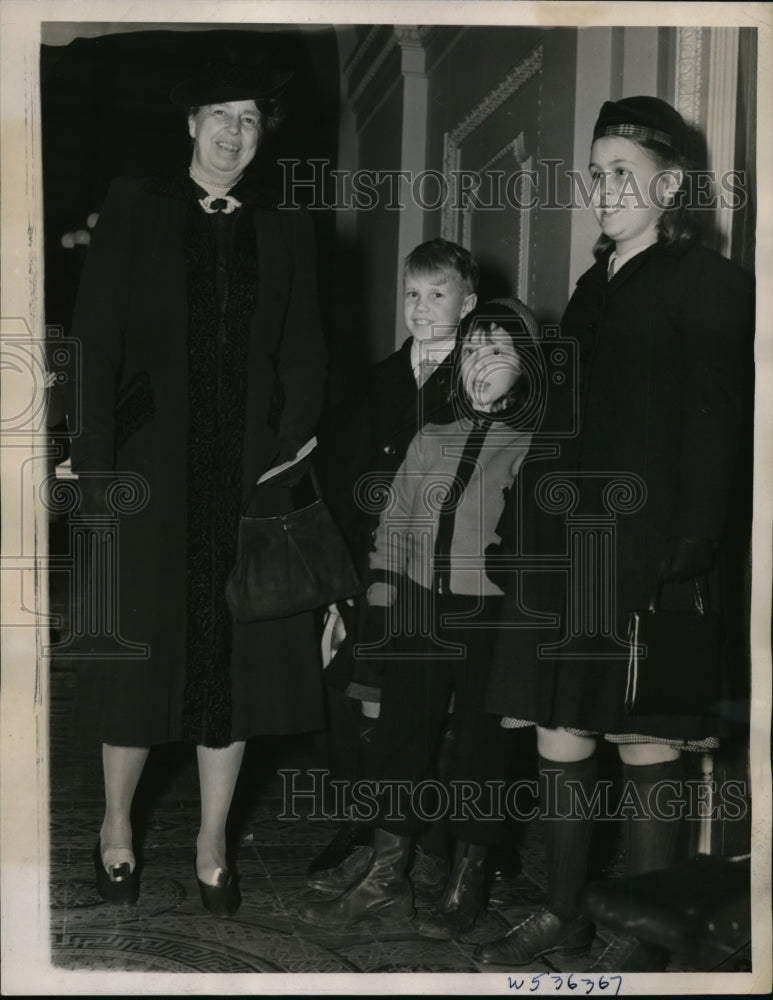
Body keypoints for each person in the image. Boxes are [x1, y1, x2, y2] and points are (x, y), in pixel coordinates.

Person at [475, 96, 754, 971]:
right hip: (570, 546)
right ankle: (564, 913)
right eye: (594, 175)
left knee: (645, 737)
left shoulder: (710, 282)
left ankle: (636, 932)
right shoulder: (593, 287)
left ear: (670, 186)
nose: (601, 190)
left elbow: (715, 424)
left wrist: (691, 546)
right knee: (563, 733)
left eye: (619, 174)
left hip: (651, 548)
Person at [68, 57, 328, 916]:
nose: (233, 133)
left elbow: (305, 353)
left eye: (250, 120)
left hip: (246, 478)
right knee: (141, 653)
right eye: (219, 115)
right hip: (149, 472)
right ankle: (115, 829)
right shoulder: (137, 206)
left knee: (234, 662)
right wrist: (99, 468)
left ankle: (214, 840)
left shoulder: (285, 224)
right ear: (189, 124)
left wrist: (285, 453)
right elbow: (97, 337)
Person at [300, 299, 539, 934]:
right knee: (402, 738)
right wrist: (384, 601)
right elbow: (397, 520)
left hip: (491, 615)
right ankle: (386, 878)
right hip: (419, 607)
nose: (483, 363)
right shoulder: (432, 434)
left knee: (483, 749)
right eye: (473, 350)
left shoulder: (533, 444)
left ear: (527, 366)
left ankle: (468, 879)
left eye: (500, 350)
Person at [309, 239, 478, 891]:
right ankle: (371, 832)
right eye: (411, 294)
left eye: (438, 294)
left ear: (467, 304)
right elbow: (344, 488)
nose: (421, 307)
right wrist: (339, 592)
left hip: (441, 579)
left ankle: (430, 843)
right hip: (374, 574)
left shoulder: (479, 382)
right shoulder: (373, 381)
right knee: (365, 706)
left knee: (431, 716)